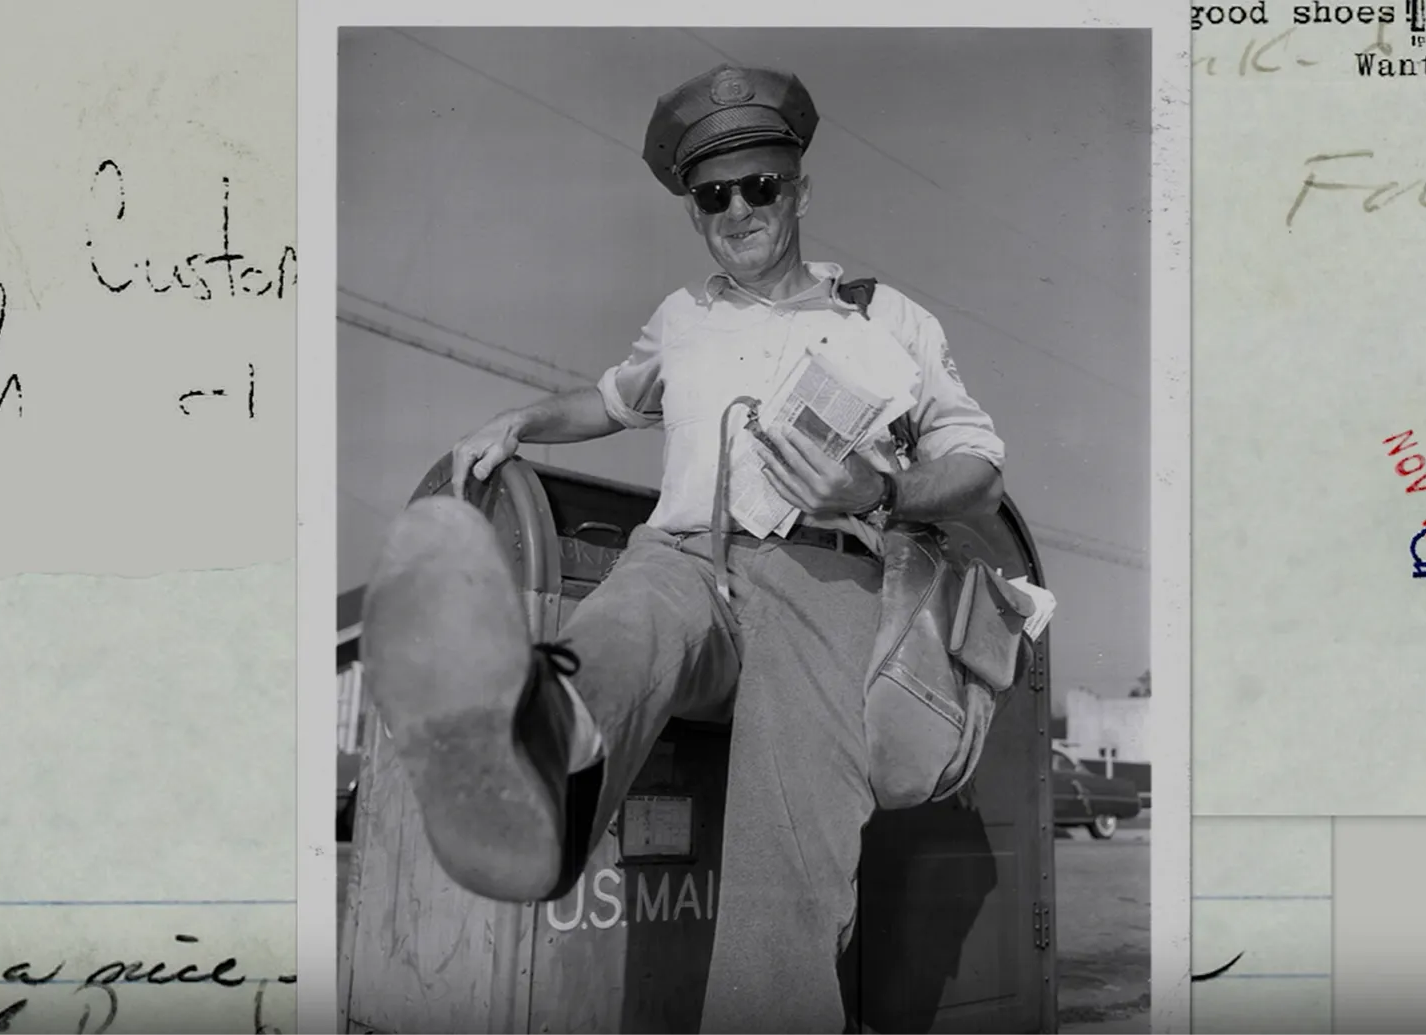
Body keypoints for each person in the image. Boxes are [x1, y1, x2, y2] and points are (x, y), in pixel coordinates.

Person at [362, 63, 1007, 1035]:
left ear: (798, 186)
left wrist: (880, 488)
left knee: (793, 871)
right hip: (685, 556)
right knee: (621, 627)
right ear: (694, 209)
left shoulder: (886, 317)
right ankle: (531, 767)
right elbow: (611, 399)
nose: (738, 209)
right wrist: (520, 418)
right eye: (713, 196)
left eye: (759, 185)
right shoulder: (684, 318)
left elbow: (978, 463)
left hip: (825, 573)